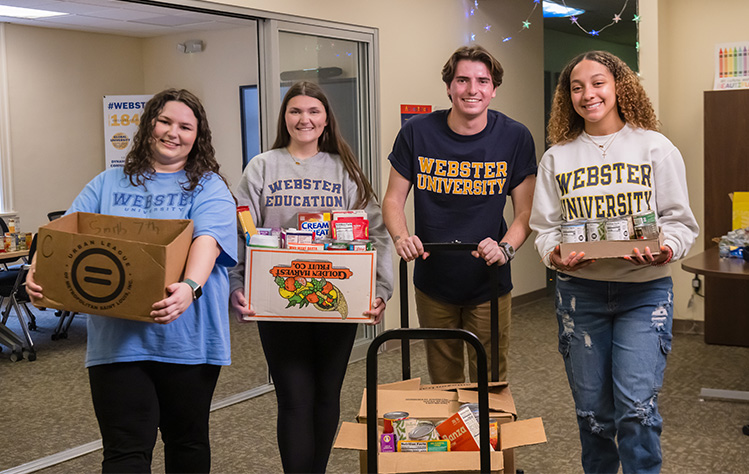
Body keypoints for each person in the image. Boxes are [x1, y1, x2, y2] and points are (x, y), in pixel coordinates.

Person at [26, 89, 237, 474]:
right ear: (149, 125)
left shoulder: (208, 186)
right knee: (124, 451)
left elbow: (208, 240)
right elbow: (62, 232)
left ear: (198, 135)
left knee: (186, 443)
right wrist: (38, 269)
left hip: (188, 341)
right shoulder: (108, 182)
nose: (174, 132)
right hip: (118, 343)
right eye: (165, 121)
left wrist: (189, 287)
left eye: (185, 126)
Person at [529, 51, 699, 473]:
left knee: (636, 411)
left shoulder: (655, 147)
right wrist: (554, 254)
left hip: (645, 295)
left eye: (598, 82)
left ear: (620, 86)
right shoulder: (557, 156)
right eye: (577, 87)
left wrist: (666, 249)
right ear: (567, 97)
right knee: (593, 416)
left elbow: (680, 222)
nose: (588, 94)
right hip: (579, 297)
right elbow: (545, 227)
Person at [229, 81, 393, 473]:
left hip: (336, 301)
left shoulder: (345, 169)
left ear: (325, 120)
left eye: (313, 111)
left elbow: (377, 233)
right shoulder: (262, 167)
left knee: (326, 396)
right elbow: (237, 229)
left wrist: (380, 290)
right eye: (295, 111)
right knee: (293, 398)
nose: (304, 119)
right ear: (285, 118)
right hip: (278, 303)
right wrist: (237, 285)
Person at [382, 45, 536, 384]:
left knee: (491, 379)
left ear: (494, 89)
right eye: (462, 80)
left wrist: (506, 247)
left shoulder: (515, 136)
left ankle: (488, 439)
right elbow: (393, 199)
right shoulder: (417, 132)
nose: (472, 89)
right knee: (444, 380)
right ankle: (451, 439)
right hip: (433, 280)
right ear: (449, 86)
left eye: (482, 81)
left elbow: (525, 212)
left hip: (489, 280)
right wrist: (401, 237)